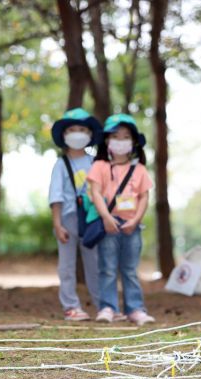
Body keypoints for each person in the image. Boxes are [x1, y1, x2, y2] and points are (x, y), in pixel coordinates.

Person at [87, 114, 155, 326]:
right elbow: (95, 192)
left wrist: (135, 220)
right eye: (115, 136)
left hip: (132, 227)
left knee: (129, 270)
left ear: (134, 141)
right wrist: (106, 218)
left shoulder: (140, 169)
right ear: (107, 140)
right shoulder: (99, 166)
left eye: (126, 136)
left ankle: (135, 309)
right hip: (109, 225)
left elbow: (144, 197)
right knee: (107, 268)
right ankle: (108, 308)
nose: (120, 140)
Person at [49, 108, 102, 321]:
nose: (77, 134)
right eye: (72, 129)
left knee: (96, 265)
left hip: (92, 220)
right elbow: (56, 196)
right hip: (67, 219)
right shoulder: (60, 164)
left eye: (82, 129)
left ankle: (104, 305)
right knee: (67, 266)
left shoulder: (96, 162)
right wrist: (57, 224)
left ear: (90, 135)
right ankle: (71, 306)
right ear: (64, 135)